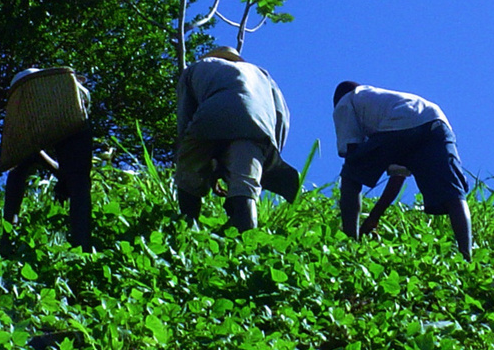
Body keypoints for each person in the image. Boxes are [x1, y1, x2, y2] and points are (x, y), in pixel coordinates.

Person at [332, 82, 472, 259]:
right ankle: (467, 257)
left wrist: (361, 166)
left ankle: (350, 243)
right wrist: (374, 218)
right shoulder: (380, 103)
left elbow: (352, 155)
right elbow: (398, 177)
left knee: (351, 176)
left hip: (402, 120)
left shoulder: (346, 100)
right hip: (437, 121)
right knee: (453, 194)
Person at [176, 46, 298, 231]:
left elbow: (186, 113)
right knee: (244, 188)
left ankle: (187, 230)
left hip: (210, 115)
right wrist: (269, 155)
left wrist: (188, 149)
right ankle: (245, 242)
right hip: (255, 124)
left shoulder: (199, 66)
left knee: (189, 178)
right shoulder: (262, 74)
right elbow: (281, 116)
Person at [0, 68, 93, 249]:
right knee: (80, 184)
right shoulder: (72, 98)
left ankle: (6, 239)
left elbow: (60, 171)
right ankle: (83, 248)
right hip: (66, 103)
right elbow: (73, 176)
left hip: (24, 92)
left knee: (20, 166)